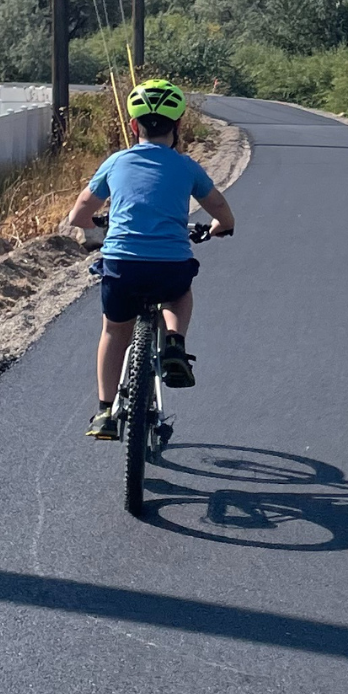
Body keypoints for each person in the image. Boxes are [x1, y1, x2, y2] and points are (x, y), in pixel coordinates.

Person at [68, 79, 236, 440]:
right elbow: (219, 207)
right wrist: (222, 225)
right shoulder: (187, 167)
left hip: (121, 266)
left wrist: (92, 227)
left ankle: (104, 412)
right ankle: (174, 341)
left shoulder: (116, 162)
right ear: (178, 128)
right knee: (179, 293)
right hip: (168, 266)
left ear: (133, 126)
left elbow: (80, 212)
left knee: (114, 331)